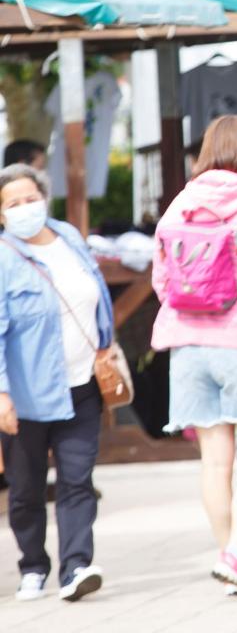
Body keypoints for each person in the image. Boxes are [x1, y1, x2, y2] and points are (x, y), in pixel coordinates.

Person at [151, 115, 237, 598]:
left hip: (189, 348)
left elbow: (161, 281)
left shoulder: (179, 207)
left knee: (215, 463)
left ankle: (234, 559)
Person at [0, 163, 113, 602]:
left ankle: (76, 565)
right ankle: (33, 565)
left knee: (77, 479)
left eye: (32, 199)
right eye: (14, 203)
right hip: (27, 395)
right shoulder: (5, 258)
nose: (26, 208)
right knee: (26, 488)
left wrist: (106, 342)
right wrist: (2, 393)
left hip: (82, 382)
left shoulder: (68, 237)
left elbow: (97, 292)